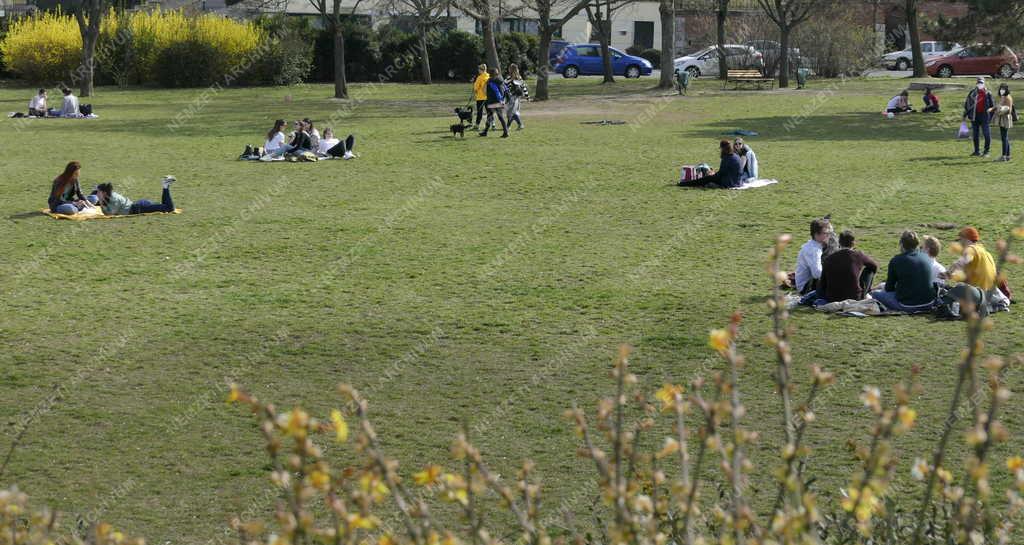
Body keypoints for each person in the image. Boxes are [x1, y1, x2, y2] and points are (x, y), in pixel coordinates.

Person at [870, 231, 938, 312]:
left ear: (901, 244)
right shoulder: (926, 257)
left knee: (875, 294)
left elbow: (889, 288)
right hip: (929, 303)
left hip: (908, 305)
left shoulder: (896, 260)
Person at [817, 230, 878, 303]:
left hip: (832, 298)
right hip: (855, 297)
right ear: (854, 243)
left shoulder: (829, 258)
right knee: (870, 270)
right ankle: (866, 292)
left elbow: (823, 283)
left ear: (839, 242)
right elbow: (874, 266)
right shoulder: (858, 255)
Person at [94, 176, 177, 215]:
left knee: (169, 208)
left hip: (138, 208)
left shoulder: (113, 198)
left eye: (98, 192)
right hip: (138, 206)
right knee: (164, 207)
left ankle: (165, 185)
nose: (96, 193)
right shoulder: (109, 196)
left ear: (104, 193)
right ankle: (165, 185)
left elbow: (110, 214)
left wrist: (101, 202)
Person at [678, 140, 743, 189]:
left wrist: (712, 175)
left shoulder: (727, 158)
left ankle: (683, 184)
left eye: (721, 149)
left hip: (730, 183)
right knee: (709, 177)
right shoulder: (735, 155)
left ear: (724, 149)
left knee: (706, 179)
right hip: (738, 182)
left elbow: (720, 175)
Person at [948, 226, 996, 292]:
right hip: (988, 294)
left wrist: (948, 272)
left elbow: (962, 262)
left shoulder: (971, 249)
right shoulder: (987, 254)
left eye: (960, 240)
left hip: (976, 294)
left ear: (965, 239)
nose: (960, 243)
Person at [793, 218, 832, 295]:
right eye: (825, 233)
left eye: (828, 233)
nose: (828, 235)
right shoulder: (814, 250)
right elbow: (816, 273)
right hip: (806, 288)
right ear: (816, 234)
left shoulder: (815, 245)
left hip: (808, 283)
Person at [964, 77, 995, 157]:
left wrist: (991, 117)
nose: (980, 84)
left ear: (984, 84)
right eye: (978, 83)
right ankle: (976, 151)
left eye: (981, 83)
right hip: (975, 116)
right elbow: (967, 104)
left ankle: (986, 151)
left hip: (985, 117)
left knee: (986, 134)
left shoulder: (988, 93)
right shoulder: (972, 93)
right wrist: (967, 114)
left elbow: (992, 106)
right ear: (976, 83)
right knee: (975, 135)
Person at [480, 68, 509, 138]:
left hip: (492, 101)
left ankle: (485, 132)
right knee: (500, 117)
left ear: (490, 74)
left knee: (490, 116)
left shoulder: (489, 81)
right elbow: (506, 90)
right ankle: (505, 132)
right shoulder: (501, 80)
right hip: (500, 101)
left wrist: (487, 96)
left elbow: (484, 90)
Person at [990, 83, 1013, 162]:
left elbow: (1009, 110)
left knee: (1004, 138)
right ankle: (1008, 156)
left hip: (1005, 119)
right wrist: (992, 109)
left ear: (1006, 90)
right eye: (1000, 89)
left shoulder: (1008, 97)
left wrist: (1001, 110)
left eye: (1003, 89)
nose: (1001, 90)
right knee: (1005, 137)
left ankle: (1003, 156)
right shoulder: (1003, 97)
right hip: (1002, 118)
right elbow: (998, 105)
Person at [506, 63, 529, 130]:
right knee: (512, 111)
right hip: (518, 97)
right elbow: (524, 87)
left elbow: (505, 84)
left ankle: (520, 124)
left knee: (511, 112)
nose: (508, 69)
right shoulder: (519, 77)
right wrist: (527, 96)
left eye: (509, 68)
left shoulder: (509, 77)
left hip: (512, 96)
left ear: (511, 69)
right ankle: (508, 126)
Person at [472, 64, 490, 130]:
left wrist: (474, 84)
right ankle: (490, 124)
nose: (478, 71)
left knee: (479, 112)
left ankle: (477, 125)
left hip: (480, 97)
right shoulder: (489, 76)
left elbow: (476, 88)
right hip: (488, 97)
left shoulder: (480, 77)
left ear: (481, 70)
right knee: (489, 112)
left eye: (479, 69)